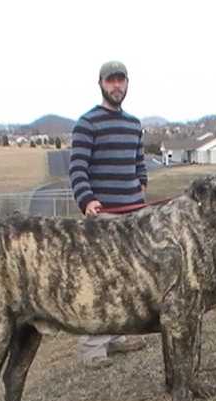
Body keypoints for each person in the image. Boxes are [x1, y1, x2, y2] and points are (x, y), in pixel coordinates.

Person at [69, 60, 148, 368]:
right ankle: (91, 348)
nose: (117, 86)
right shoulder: (87, 123)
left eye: (121, 80)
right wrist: (86, 200)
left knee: (127, 281)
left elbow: (138, 162)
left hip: (134, 217)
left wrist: (141, 184)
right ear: (101, 84)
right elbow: (77, 168)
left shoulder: (133, 124)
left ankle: (116, 338)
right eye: (111, 81)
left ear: (128, 83)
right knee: (101, 282)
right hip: (103, 217)